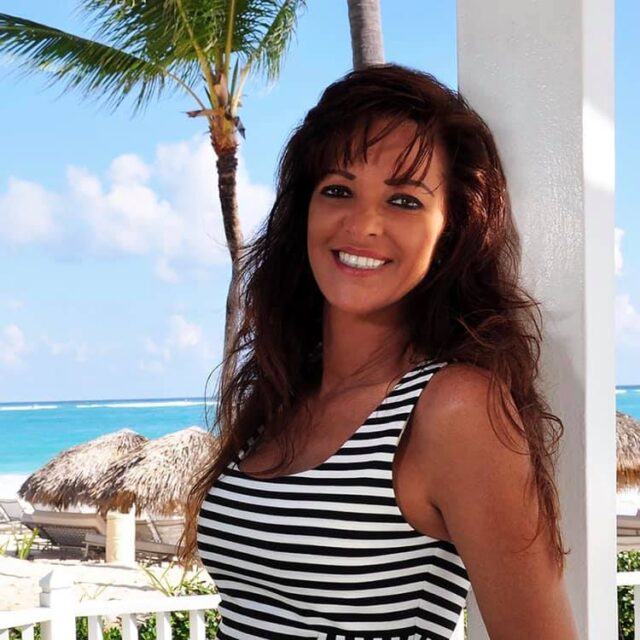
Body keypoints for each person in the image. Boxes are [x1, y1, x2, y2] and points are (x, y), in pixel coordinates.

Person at [182, 64, 579, 639]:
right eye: (338, 190)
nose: (363, 224)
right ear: (305, 210)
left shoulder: (455, 408)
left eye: (404, 200)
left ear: (452, 232)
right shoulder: (287, 393)